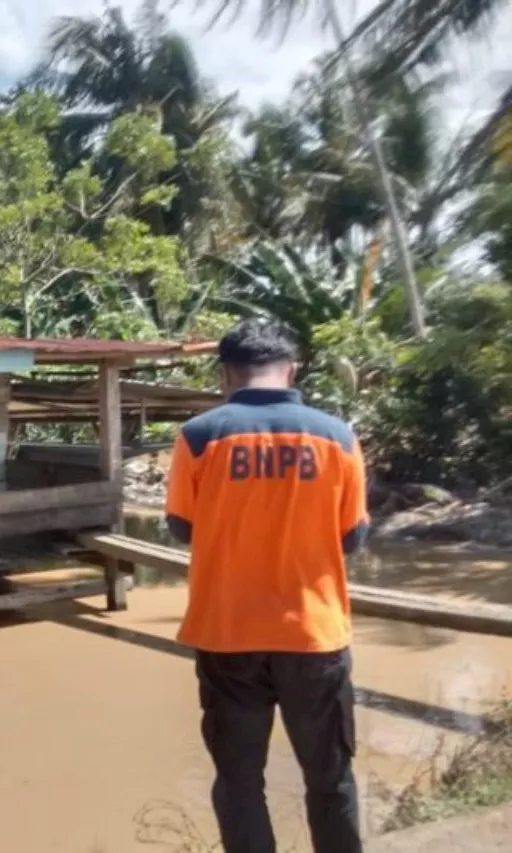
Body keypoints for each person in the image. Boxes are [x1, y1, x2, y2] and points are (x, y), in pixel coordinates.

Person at [165, 318, 368, 853]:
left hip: (228, 635)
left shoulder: (199, 436)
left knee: (239, 783)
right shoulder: (338, 437)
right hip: (313, 636)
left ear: (226, 374)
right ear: (293, 369)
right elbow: (352, 538)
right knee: (330, 779)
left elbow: (183, 528)